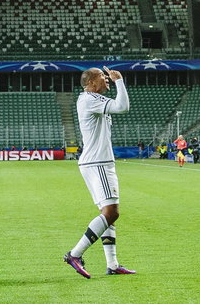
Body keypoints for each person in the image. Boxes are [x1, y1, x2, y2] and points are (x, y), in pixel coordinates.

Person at [63, 67, 135, 278]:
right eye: (103, 78)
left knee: (108, 215)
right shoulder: (90, 99)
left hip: (96, 162)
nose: (107, 80)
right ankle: (75, 254)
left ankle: (112, 264)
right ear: (92, 83)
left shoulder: (89, 98)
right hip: (98, 163)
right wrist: (120, 80)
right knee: (112, 212)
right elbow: (122, 106)